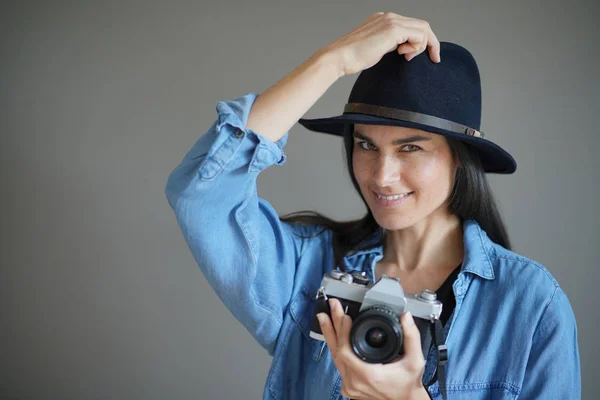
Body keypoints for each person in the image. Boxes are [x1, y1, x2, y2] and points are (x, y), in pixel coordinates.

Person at [164, 12, 581, 400]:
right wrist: (334, 61)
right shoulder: (306, 272)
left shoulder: (530, 306)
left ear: (460, 158)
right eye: (366, 144)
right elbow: (203, 193)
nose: (381, 175)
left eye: (411, 147)